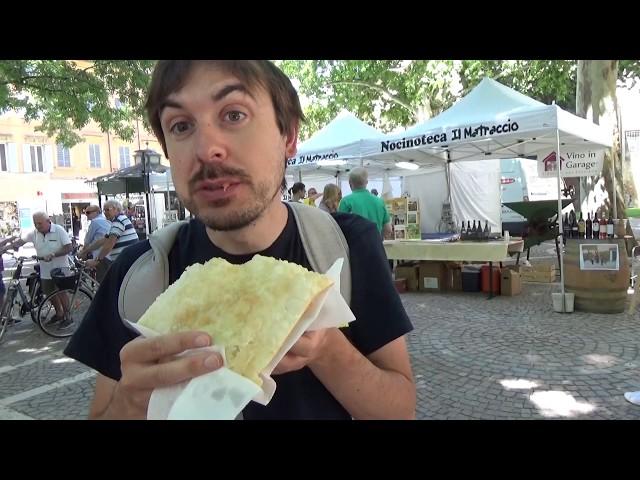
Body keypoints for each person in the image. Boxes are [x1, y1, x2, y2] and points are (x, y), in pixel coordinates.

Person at [64, 60, 415, 420]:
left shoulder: (348, 244)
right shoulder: (137, 274)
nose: (207, 149)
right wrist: (131, 403)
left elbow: (400, 410)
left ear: (288, 136)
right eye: (181, 126)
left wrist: (327, 349)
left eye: (233, 115)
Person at [10, 212, 73, 328]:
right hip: (45, 270)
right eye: (35, 224)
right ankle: (59, 314)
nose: (37, 226)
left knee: (62, 292)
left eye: (40, 223)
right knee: (49, 292)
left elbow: (69, 247)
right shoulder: (34, 233)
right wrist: (10, 246)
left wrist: (53, 254)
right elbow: (21, 241)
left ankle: (68, 317)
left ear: (48, 221)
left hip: (61, 268)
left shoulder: (58, 230)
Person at [84, 200, 139, 282]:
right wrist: (85, 251)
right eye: (104, 210)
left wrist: (96, 261)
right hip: (125, 260)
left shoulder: (118, 221)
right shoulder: (117, 221)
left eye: (107, 210)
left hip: (126, 262)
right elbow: (103, 240)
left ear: (116, 209)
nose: (105, 213)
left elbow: (109, 244)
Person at [338, 167, 392, 237]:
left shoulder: (345, 201)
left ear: (350, 183)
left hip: (354, 245)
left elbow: (339, 229)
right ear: (366, 182)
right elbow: (388, 229)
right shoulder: (380, 202)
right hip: (375, 245)